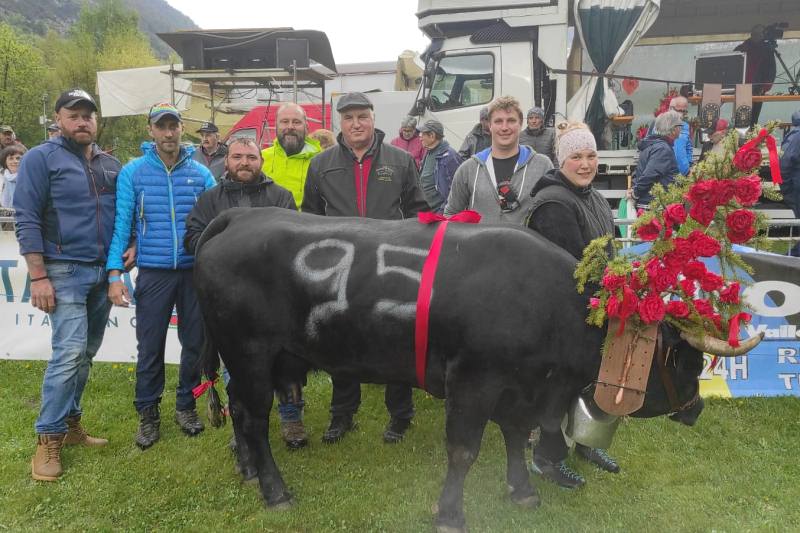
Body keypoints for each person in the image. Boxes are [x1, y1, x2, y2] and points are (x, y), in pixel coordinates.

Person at [302, 91, 428, 444]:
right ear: (339, 123)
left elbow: (418, 212)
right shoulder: (321, 164)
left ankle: (400, 415)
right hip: (341, 270)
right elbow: (309, 219)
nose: (356, 124)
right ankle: (342, 415)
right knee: (341, 342)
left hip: (390, 267)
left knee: (396, 340)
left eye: (362, 116)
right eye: (349, 118)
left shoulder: (401, 161)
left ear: (373, 119)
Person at [13, 88, 126, 481]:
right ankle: (48, 438)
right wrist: (38, 275)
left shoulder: (110, 164)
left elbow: (123, 215)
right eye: (73, 115)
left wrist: (127, 248)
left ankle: (72, 424)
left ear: (96, 120)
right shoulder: (39, 159)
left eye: (88, 115)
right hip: (62, 271)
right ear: (58, 120)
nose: (82, 122)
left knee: (86, 353)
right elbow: (26, 217)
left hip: (101, 272)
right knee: (68, 353)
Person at [106, 103, 217, 450]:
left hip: (193, 271)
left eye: (174, 126)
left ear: (182, 128)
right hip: (153, 272)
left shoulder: (200, 174)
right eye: (162, 126)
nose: (169, 133)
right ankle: (148, 414)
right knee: (149, 346)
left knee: (195, 345)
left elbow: (216, 220)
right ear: (151, 130)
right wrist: (114, 272)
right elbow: (122, 224)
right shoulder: (133, 172)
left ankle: (186, 405)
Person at [526, 122, 620, 489]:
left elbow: (608, 253)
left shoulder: (591, 196)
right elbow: (568, 275)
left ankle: (587, 442)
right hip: (562, 320)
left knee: (591, 384)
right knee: (557, 390)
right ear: (560, 160)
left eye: (591, 155)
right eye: (576, 156)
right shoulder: (554, 204)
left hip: (595, 311)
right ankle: (545, 459)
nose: (585, 164)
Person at [444, 95, 553, 224]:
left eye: (511, 120)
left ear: (521, 124)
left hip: (525, 244)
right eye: (498, 121)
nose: (504, 127)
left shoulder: (542, 165)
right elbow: (450, 215)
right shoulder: (469, 169)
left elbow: (552, 214)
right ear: (490, 125)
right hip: (481, 244)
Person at [261, 103, 321, 207]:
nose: (290, 127)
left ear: (306, 127)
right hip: (269, 222)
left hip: (306, 222)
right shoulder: (260, 159)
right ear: (276, 126)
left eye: (296, 122)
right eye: (284, 122)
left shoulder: (322, 161)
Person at [631, 110, 683, 210]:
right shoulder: (662, 148)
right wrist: (635, 194)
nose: (681, 129)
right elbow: (650, 174)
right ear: (673, 129)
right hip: (654, 206)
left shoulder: (652, 145)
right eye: (679, 126)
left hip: (650, 203)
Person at [735, 25, 777, 126]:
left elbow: (772, 70)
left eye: (761, 34)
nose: (759, 36)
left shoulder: (768, 50)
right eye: (757, 34)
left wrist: (765, 87)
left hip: (759, 89)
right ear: (752, 35)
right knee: (741, 119)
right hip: (742, 88)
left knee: (754, 120)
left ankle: (752, 138)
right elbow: (732, 67)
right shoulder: (742, 48)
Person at [417, 118, 462, 213]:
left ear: (432, 136)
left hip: (438, 215)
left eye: (423, 134)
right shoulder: (428, 152)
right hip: (427, 213)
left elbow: (455, 192)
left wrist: (441, 214)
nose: (420, 137)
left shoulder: (450, 157)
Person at [780, 109, 800, 257]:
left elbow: (785, 163)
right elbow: (785, 163)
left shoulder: (795, 136)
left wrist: (785, 187)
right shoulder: (796, 137)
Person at [667, 97, 693, 175]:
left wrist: (688, 164)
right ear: (671, 108)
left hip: (684, 174)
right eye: (679, 110)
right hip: (667, 174)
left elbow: (689, 148)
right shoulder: (661, 126)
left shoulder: (685, 126)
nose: (681, 114)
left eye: (684, 111)